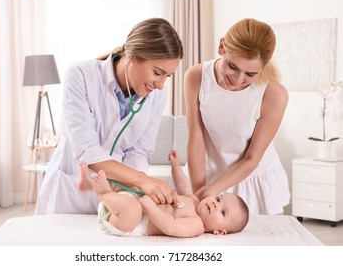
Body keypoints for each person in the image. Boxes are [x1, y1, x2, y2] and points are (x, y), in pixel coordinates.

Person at [35, 18, 183, 215]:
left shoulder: (157, 95)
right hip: (71, 192)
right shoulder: (80, 76)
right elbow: (87, 150)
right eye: (157, 72)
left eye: (168, 76)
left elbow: (139, 151)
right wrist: (142, 180)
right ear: (133, 57)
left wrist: (125, 188)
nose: (161, 84)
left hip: (116, 199)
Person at [184, 18, 290, 215]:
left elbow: (252, 158)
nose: (238, 79)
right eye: (232, 66)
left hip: (252, 180)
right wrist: (200, 193)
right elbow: (196, 139)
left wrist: (214, 190)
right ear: (222, 46)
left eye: (250, 74)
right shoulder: (196, 76)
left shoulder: (274, 94)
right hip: (206, 175)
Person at [78, 150, 249, 237]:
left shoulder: (196, 225)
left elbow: (171, 226)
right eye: (219, 198)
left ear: (220, 231)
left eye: (223, 212)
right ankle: (89, 185)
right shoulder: (194, 200)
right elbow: (183, 186)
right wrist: (175, 166)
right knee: (137, 184)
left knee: (134, 210)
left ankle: (104, 193)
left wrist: (151, 208)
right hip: (126, 203)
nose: (216, 204)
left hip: (129, 223)